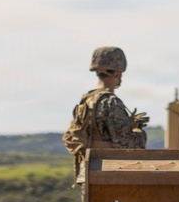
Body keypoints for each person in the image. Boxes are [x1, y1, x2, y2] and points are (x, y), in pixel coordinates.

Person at [63, 46, 149, 191]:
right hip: (110, 176)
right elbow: (126, 145)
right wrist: (138, 132)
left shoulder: (87, 99)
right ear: (117, 72)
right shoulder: (111, 102)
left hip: (89, 173)